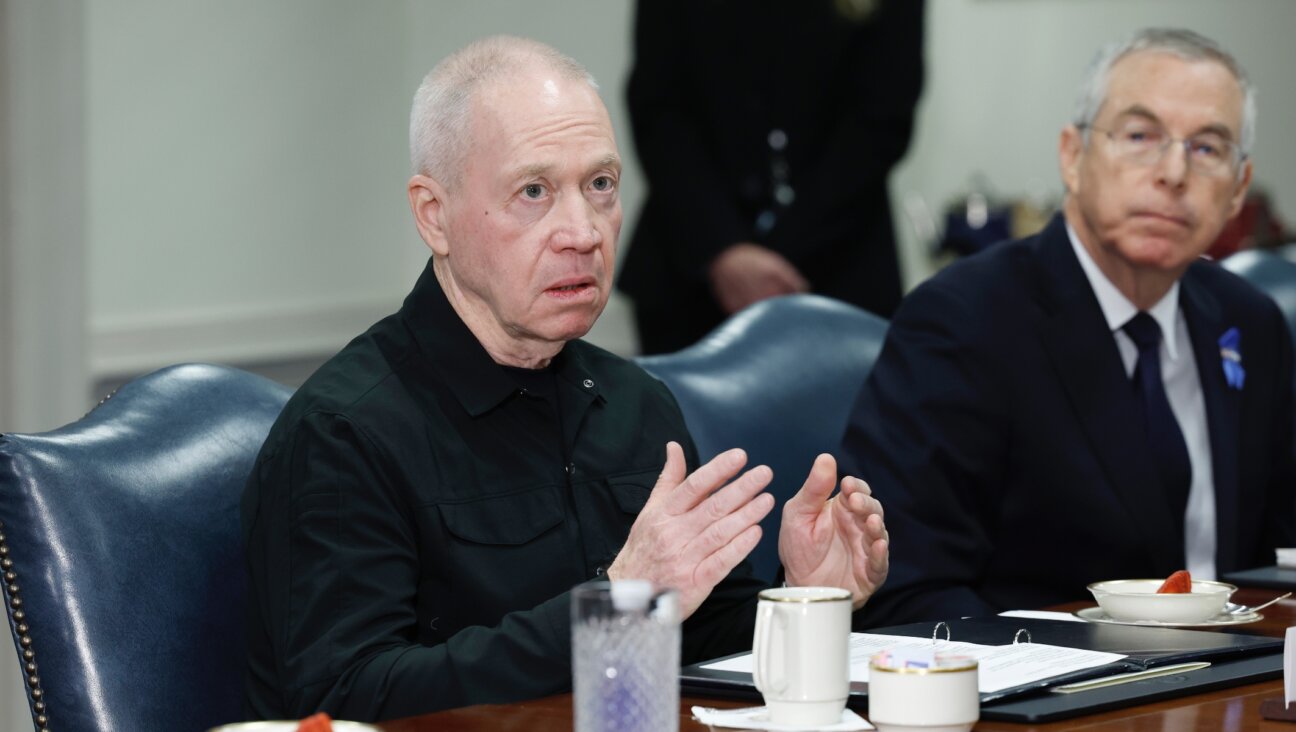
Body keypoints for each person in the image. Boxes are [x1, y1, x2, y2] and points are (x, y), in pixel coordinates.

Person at [240, 36, 890, 722]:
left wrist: (807, 599)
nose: (582, 231)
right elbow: (341, 699)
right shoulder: (345, 433)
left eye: (600, 185)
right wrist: (615, 605)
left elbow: (702, 641)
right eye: (534, 192)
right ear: (435, 215)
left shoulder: (637, 406)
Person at [841, 28, 1296, 627]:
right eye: (1140, 137)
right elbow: (906, 589)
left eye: (1208, 148)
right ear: (1072, 156)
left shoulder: (1249, 324)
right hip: (1046, 699)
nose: (1174, 173)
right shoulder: (963, 321)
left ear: (1239, 189)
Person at [617, 0, 925, 354]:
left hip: (842, 271)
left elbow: (884, 117)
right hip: (688, 270)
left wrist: (771, 260)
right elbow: (658, 110)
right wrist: (724, 248)